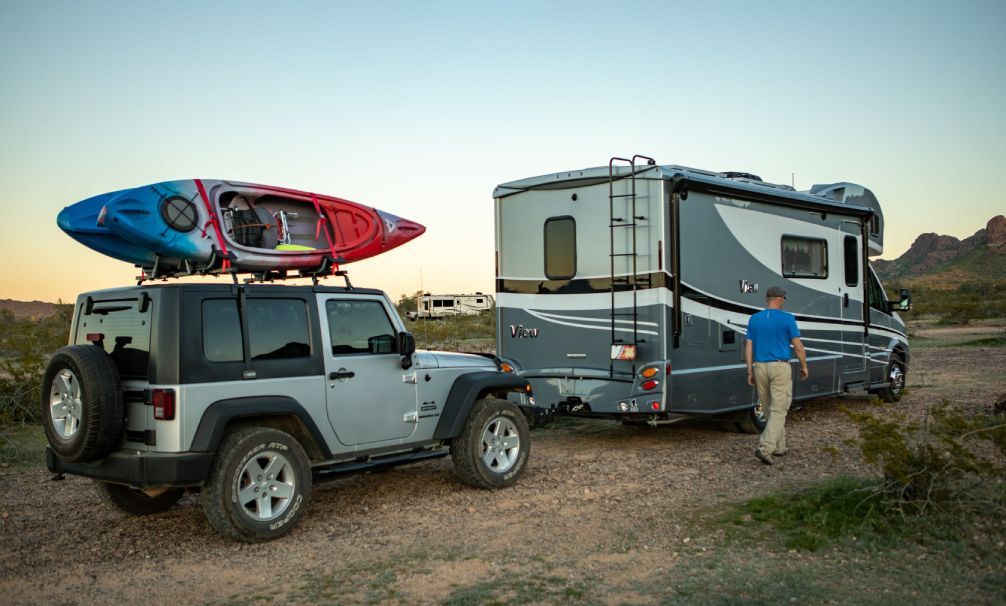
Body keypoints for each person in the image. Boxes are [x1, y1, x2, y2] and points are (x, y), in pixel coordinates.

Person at [745, 286, 809, 465]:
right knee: (779, 409)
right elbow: (797, 346)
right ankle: (765, 448)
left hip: (760, 366)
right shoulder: (787, 318)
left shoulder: (754, 319)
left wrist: (750, 370)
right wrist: (804, 365)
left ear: (767, 299)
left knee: (768, 408)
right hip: (779, 367)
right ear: (780, 299)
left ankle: (779, 446)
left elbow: (748, 346)